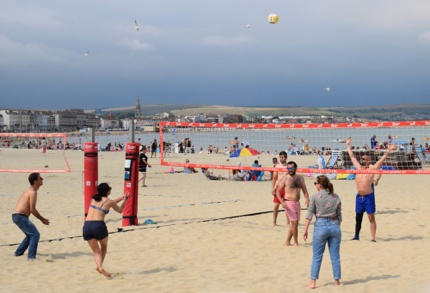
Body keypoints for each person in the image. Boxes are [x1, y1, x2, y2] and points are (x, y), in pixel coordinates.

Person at [346, 138, 396, 242]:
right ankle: (356, 236)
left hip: (368, 197)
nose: (362, 160)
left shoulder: (371, 169)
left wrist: (388, 151)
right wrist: (348, 146)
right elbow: (352, 157)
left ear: (368, 161)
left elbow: (381, 160)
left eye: (365, 159)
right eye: (362, 159)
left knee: (371, 218)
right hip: (359, 197)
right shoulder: (358, 168)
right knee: (358, 218)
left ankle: (373, 238)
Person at [83, 183, 130, 277]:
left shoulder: (93, 199)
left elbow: (110, 202)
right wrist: (125, 200)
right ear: (108, 191)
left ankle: (99, 267)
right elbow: (119, 210)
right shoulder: (109, 202)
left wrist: (121, 198)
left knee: (96, 251)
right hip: (98, 225)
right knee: (103, 246)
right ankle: (100, 266)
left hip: (87, 226)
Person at [303, 175, 342, 289]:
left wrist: (305, 230)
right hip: (334, 225)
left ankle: (313, 282)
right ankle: (337, 281)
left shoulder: (314, 197)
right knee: (335, 256)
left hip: (320, 225)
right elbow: (339, 216)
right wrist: (335, 225)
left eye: (315, 183)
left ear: (319, 184)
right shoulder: (335, 197)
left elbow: (309, 215)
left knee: (316, 256)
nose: (315, 185)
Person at [12, 173, 49, 260]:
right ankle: (31, 257)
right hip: (20, 216)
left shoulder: (31, 190)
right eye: (40, 178)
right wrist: (42, 219)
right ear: (35, 181)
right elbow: (32, 209)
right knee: (35, 235)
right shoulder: (32, 192)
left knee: (30, 235)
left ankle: (18, 252)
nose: (42, 179)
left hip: (18, 216)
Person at [276, 161, 309, 246]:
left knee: (295, 223)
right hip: (288, 202)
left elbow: (304, 190)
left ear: (295, 168)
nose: (290, 170)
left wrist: (307, 198)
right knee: (294, 223)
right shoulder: (285, 178)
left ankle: (287, 241)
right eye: (288, 168)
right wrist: (282, 201)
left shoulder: (300, 178)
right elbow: (278, 191)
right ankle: (295, 242)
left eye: (291, 168)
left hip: (297, 203)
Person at [271, 151, 290, 227]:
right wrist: (272, 188)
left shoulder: (289, 166)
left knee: (287, 206)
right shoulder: (277, 166)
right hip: (279, 188)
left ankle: (288, 223)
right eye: (280, 157)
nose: (281, 158)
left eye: (283, 157)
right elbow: (274, 178)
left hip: (287, 188)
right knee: (276, 206)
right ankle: (274, 222)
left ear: (286, 157)